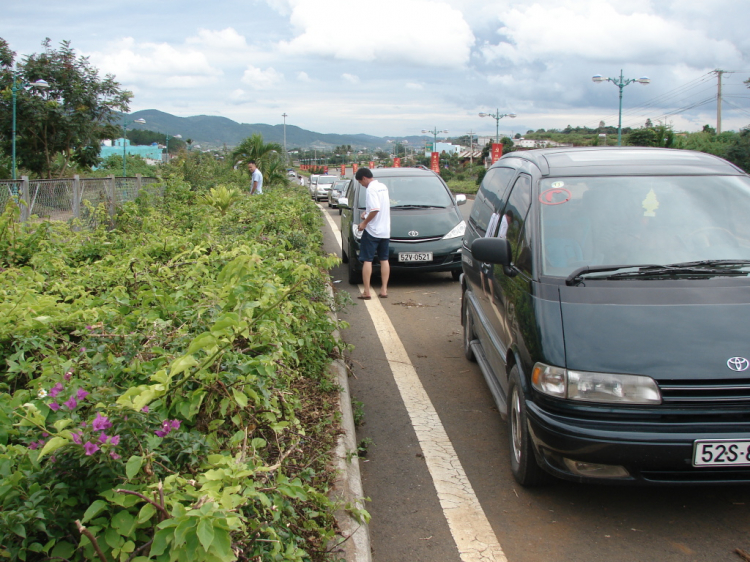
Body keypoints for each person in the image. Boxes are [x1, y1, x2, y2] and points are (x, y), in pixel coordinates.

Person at [355, 167, 390, 299]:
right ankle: (384, 290)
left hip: (372, 231)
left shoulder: (371, 189)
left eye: (360, 182)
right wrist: (367, 213)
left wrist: (364, 223)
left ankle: (367, 292)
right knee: (384, 259)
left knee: (367, 260)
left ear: (364, 178)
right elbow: (377, 208)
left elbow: (375, 209)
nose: (362, 185)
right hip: (385, 230)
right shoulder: (383, 187)